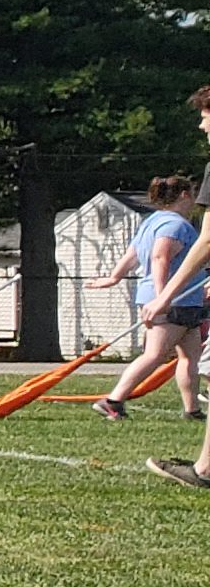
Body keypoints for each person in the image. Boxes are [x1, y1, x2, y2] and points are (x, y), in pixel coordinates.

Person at [92, 175, 206, 426]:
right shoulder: (175, 225)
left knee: (189, 357)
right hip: (171, 300)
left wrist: (113, 277)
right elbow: (159, 257)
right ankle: (112, 401)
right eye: (194, 193)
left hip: (185, 301)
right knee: (154, 355)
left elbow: (132, 254)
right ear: (184, 195)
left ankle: (192, 410)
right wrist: (162, 296)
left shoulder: (151, 221)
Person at [140, 88, 210, 489]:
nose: (202, 124)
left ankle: (204, 471)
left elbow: (206, 240)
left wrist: (164, 297)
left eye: (205, 116)